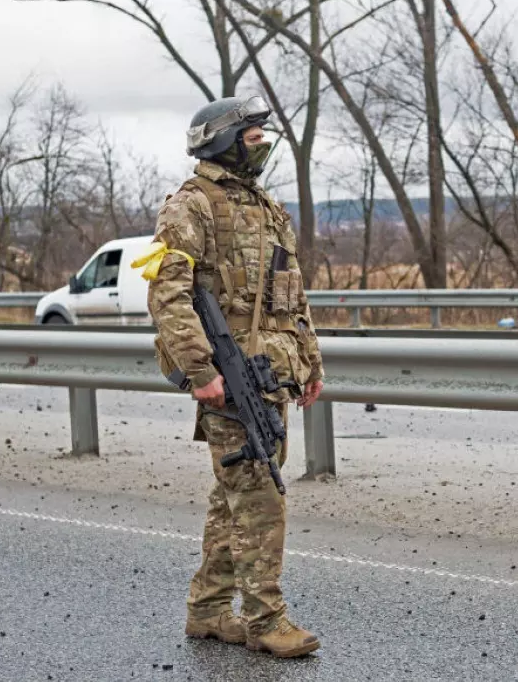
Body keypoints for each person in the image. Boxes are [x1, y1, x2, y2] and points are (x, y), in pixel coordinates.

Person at [142, 95, 325, 658]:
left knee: (236, 494)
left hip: (273, 374)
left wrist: (311, 360)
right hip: (228, 376)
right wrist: (200, 371)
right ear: (221, 140)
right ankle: (265, 619)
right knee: (261, 497)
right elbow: (167, 293)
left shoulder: (265, 205)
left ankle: (208, 608)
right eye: (251, 136)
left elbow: (290, 292)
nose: (262, 144)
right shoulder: (191, 206)